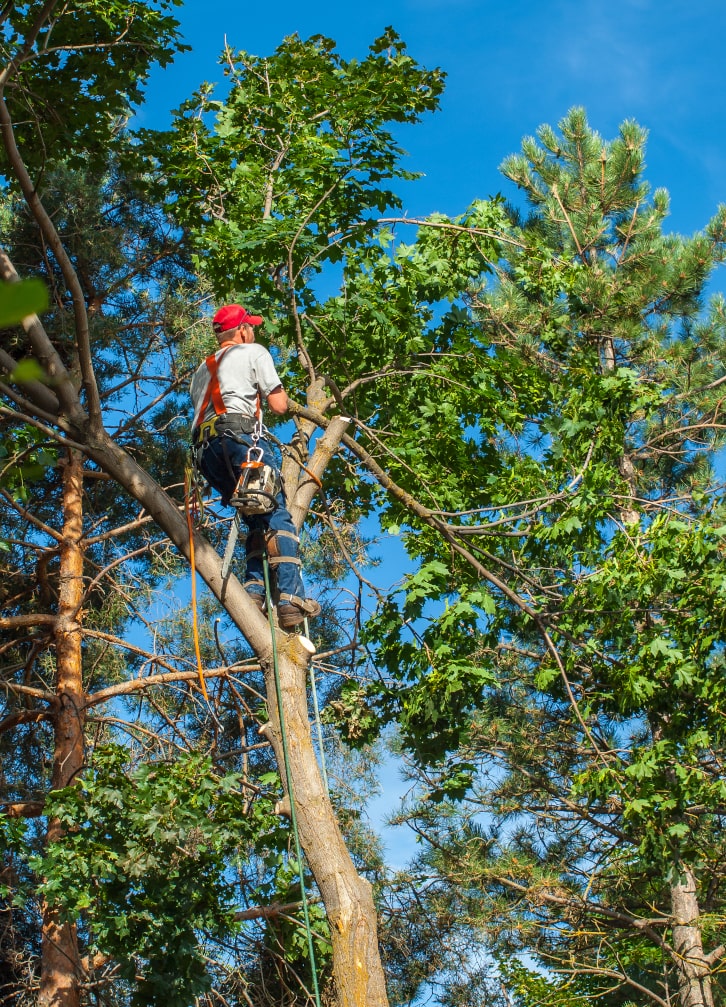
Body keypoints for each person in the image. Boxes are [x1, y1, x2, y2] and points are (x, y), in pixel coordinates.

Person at [190, 303, 321, 630]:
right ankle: (291, 599)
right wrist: (292, 404)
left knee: (256, 517)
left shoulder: (201, 370)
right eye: (251, 327)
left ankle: (253, 591)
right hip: (242, 440)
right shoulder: (253, 352)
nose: (255, 332)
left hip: (206, 453)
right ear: (242, 331)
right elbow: (277, 405)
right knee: (278, 516)